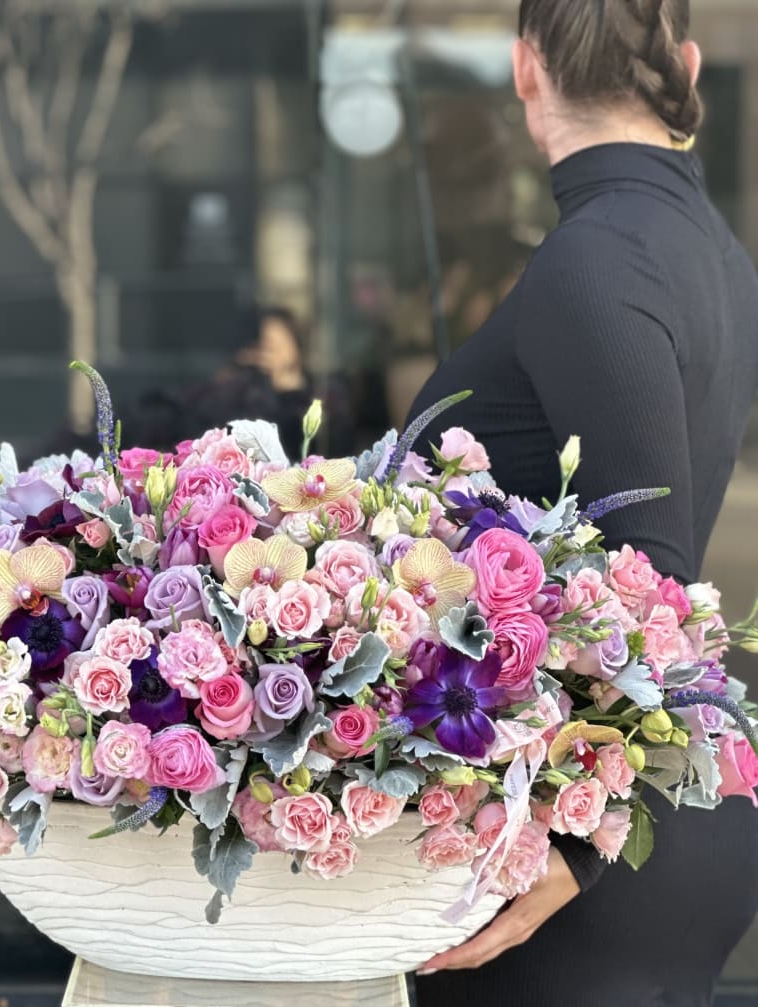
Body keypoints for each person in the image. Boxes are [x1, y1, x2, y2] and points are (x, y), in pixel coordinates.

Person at [407, 2, 758, 1004]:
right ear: (682, 66)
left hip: (583, 869)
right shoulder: (709, 254)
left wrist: (573, 846)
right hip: (621, 834)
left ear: (524, 71)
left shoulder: (594, 257)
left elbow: (648, 576)